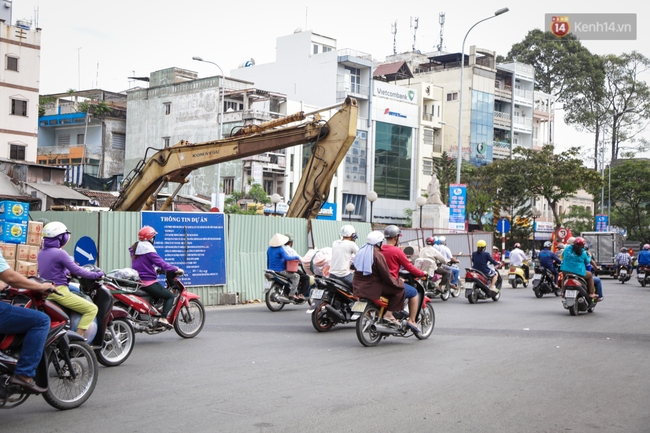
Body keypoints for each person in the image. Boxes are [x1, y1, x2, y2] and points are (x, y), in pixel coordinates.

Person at [0, 255, 55, 394]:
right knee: (41, 320)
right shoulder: (61, 255)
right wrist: (41, 287)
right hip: (53, 288)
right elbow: (11, 277)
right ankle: (24, 375)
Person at [37, 222, 102, 338]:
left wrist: (66, 272)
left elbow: (52, 269)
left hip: (47, 290)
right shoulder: (60, 253)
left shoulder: (41, 253)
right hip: (59, 291)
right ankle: (78, 339)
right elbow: (77, 271)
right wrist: (96, 275)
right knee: (92, 309)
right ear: (62, 237)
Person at [130, 226, 183, 327]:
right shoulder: (148, 250)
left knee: (158, 295)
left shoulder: (136, 249)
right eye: (153, 237)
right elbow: (162, 263)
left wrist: (155, 270)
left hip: (138, 281)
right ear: (150, 238)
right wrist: (175, 269)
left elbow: (142, 265)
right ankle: (163, 318)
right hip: (148, 282)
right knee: (170, 296)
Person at [352, 231, 406, 326]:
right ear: (379, 243)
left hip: (357, 286)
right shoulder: (378, 255)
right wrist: (398, 282)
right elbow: (386, 275)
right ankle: (389, 314)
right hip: (373, 288)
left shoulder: (360, 252)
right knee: (400, 290)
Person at [381, 225, 425, 333]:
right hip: (391, 284)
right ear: (396, 237)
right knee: (414, 292)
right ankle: (412, 320)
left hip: (378, 284)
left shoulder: (379, 249)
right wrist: (422, 273)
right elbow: (409, 267)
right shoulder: (397, 251)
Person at [560, 237, 603, 301]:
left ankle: (563, 292)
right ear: (583, 246)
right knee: (590, 275)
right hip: (578, 272)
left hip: (565, 270)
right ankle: (591, 293)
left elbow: (563, 255)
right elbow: (587, 261)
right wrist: (590, 257)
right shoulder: (583, 253)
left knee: (564, 277)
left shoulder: (567, 249)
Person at [266, 233, 302, 299]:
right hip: (281, 271)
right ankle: (292, 294)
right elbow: (287, 258)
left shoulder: (269, 249)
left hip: (271, 270)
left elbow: (268, 260)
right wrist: (296, 257)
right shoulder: (280, 249)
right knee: (296, 276)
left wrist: (268, 269)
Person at [282, 233, 311, 298]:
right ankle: (301, 294)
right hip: (289, 269)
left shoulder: (281, 248)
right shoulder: (290, 250)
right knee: (306, 278)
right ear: (291, 242)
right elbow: (300, 258)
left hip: (282, 268)